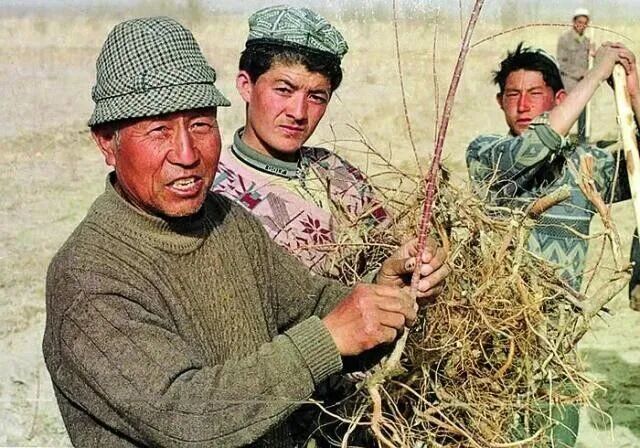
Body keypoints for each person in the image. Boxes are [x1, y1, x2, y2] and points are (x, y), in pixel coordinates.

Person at [42, 16, 448, 448]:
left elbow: (310, 305)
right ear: (107, 142)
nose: (187, 154)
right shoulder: (89, 276)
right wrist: (326, 340)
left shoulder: (226, 220)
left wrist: (383, 294)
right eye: (159, 129)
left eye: (201, 124)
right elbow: (186, 415)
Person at [212, 5, 391, 277]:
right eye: (284, 90)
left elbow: (388, 252)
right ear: (246, 86)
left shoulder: (337, 172)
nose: (298, 113)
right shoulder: (212, 191)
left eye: (316, 97)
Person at [466, 42, 639, 294]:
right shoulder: (485, 154)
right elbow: (537, 144)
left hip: (562, 318)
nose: (522, 105)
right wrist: (596, 74)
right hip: (498, 313)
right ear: (500, 101)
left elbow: (636, 164)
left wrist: (633, 95)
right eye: (512, 95)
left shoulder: (585, 164)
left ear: (560, 100)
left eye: (535, 93)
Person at [557, 8, 593, 144]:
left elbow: (590, 62)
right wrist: (580, 73)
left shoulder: (588, 42)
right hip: (568, 83)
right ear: (574, 22)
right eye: (579, 22)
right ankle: (561, 141)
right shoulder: (565, 40)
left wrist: (594, 53)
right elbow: (562, 64)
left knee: (582, 115)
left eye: (584, 23)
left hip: (583, 85)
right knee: (566, 114)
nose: (581, 25)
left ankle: (581, 142)